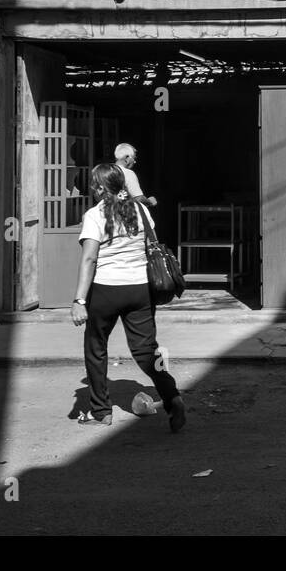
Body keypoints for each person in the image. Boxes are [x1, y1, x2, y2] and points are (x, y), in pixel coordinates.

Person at [71, 162, 186, 432]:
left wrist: (79, 301)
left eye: (93, 183)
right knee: (146, 350)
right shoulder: (141, 209)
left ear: (100, 188)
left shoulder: (95, 215)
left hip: (106, 290)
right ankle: (172, 396)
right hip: (140, 289)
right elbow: (150, 244)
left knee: (96, 348)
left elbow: (89, 259)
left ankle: (101, 411)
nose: (91, 187)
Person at [114, 143, 156, 208]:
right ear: (127, 158)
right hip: (121, 214)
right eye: (134, 158)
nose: (134, 162)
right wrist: (149, 201)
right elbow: (138, 198)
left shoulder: (105, 171)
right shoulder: (128, 173)